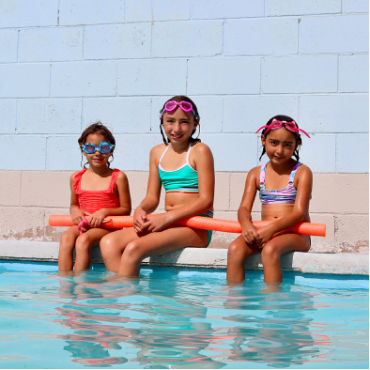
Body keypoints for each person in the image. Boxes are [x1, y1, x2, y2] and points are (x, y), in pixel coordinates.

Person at [100, 96, 214, 277]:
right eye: (170, 121)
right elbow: (152, 197)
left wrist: (166, 218)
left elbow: (206, 201)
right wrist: (141, 208)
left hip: (196, 227)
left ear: (195, 124)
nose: (176, 129)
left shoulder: (200, 151)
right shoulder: (157, 153)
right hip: (169, 223)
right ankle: (122, 296)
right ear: (162, 122)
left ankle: (121, 294)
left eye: (184, 122)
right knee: (108, 243)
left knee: (133, 249)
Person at [227, 115, 312, 284]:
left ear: (297, 144)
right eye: (274, 143)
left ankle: (274, 304)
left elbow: (299, 214)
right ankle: (235, 303)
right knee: (234, 249)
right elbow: (244, 208)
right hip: (267, 233)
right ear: (263, 140)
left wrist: (271, 230)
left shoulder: (302, 172)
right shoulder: (256, 174)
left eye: (287, 145)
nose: (280, 150)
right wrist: (246, 225)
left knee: (270, 250)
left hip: (296, 234)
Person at [58, 122, 131, 274]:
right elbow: (73, 204)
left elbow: (126, 210)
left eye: (103, 148)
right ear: (83, 150)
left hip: (107, 227)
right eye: (91, 148)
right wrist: (75, 210)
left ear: (111, 150)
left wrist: (104, 211)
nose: (97, 153)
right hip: (85, 225)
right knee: (66, 238)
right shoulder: (76, 178)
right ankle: (64, 283)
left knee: (83, 241)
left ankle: (80, 285)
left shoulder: (118, 177)